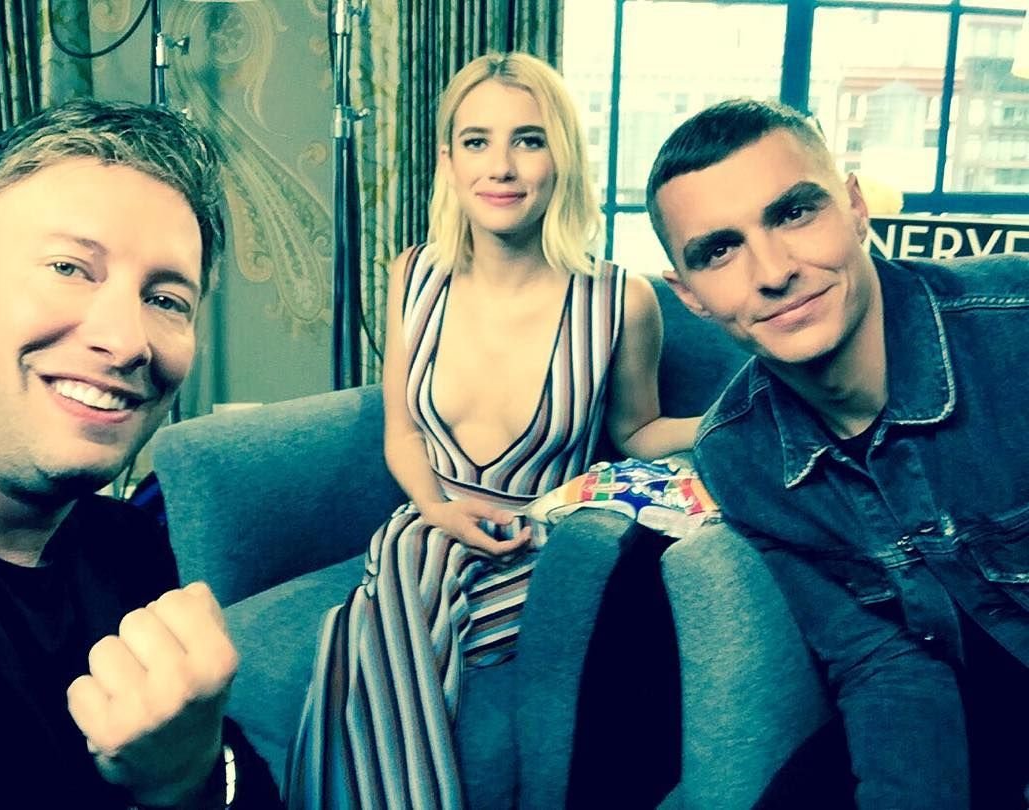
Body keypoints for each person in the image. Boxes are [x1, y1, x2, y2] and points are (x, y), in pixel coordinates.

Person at [287, 52, 701, 808]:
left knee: (364, 622)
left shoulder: (620, 300)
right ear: (448, 162)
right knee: (417, 545)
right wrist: (437, 508)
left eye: (529, 140)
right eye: (476, 141)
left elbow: (638, 432)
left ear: (561, 157)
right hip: (432, 523)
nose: (501, 166)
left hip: (537, 545)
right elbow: (402, 434)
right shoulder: (413, 275)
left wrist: (733, 417)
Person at [646, 98, 1029, 809]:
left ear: (854, 208)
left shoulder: (1016, 331)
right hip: (967, 705)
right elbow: (882, 660)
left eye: (794, 213)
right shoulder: (738, 455)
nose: (772, 271)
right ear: (688, 293)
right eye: (719, 250)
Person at [0, 99, 281, 808]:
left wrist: (188, 776)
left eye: (166, 300)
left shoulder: (129, 545)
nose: (128, 341)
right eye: (69, 267)